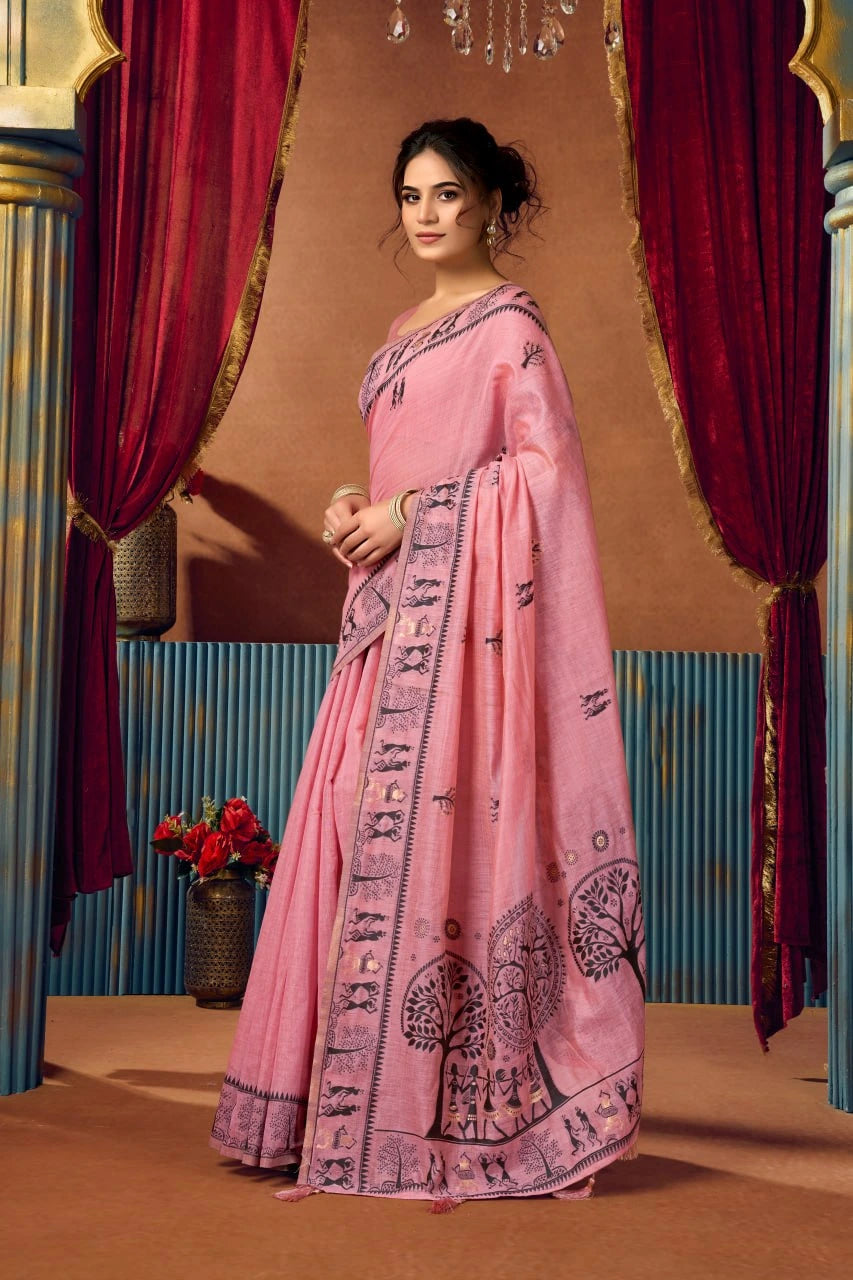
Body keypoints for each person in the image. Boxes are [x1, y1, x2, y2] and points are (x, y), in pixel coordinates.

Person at [209, 117, 645, 1208]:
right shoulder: (403, 330)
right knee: (351, 830)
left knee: (437, 842)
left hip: (470, 647)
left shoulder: (512, 333)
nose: (426, 213)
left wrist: (413, 511)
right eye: (410, 195)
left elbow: (542, 478)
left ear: (494, 200)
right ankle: (323, 1105)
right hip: (386, 630)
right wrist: (360, 511)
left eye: (448, 193)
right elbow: (405, 477)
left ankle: (451, 1107)